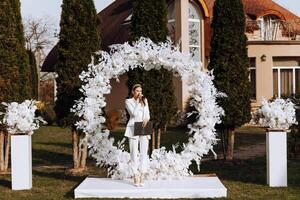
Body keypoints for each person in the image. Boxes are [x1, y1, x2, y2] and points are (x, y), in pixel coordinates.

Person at [124, 83, 151, 186]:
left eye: (140, 91)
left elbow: (147, 113)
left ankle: (142, 174)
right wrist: (139, 102)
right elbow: (134, 114)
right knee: (134, 152)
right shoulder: (128, 101)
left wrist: (146, 119)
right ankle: (135, 175)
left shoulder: (145, 100)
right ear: (133, 92)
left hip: (144, 127)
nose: (139, 93)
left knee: (144, 152)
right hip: (133, 127)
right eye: (137, 91)